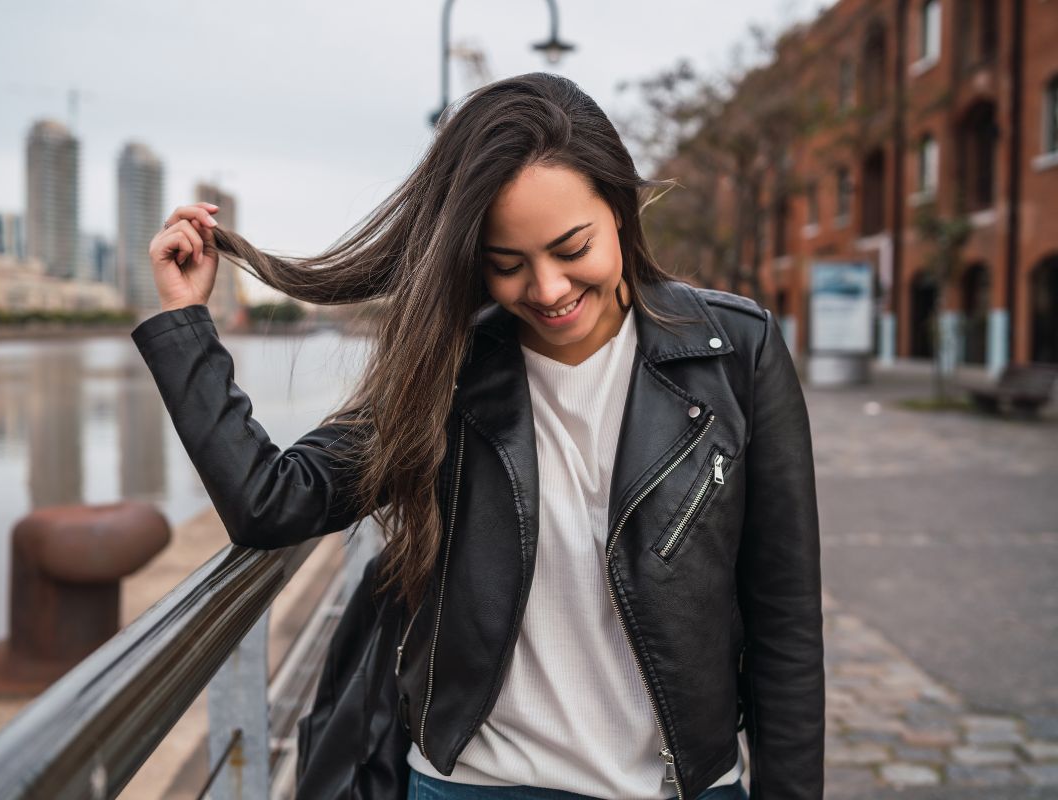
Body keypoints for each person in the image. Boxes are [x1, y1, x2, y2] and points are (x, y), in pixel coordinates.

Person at [132, 72, 824, 800]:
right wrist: (186, 323)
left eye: (571, 246)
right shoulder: (446, 370)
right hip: (475, 787)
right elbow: (269, 503)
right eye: (508, 264)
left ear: (620, 208)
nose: (549, 289)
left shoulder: (733, 351)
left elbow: (786, 627)